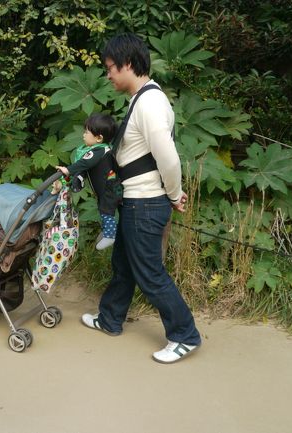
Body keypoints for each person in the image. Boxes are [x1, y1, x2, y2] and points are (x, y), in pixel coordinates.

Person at [81, 33, 201, 364]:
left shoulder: (149, 103)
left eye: (110, 68)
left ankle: (185, 335)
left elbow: (169, 159)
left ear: (129, 64)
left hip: (146, 203)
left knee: (149, 273)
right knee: (123, 265)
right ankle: (110, 319)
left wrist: (175, 195)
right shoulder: (140, 100)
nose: (108, 75)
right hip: (138, 201)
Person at [56, 113, 119, 250]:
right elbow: (86, 170)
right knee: (104, 209)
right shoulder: (102, 150)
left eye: (86, 132)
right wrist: (77, 179)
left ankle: (110, 236)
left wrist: (67, 170)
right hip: (107, 189)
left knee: (106, 210)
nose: (83, 135)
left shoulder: (98, 151)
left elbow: (84, 164)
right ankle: (108, 231)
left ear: (99, 138)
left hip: (109, 189)